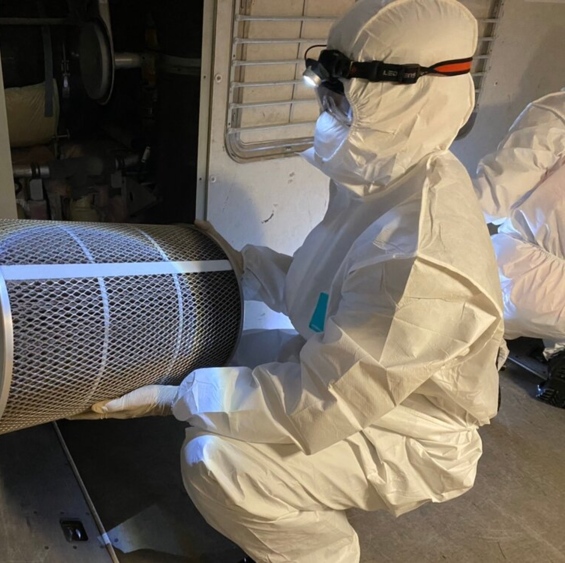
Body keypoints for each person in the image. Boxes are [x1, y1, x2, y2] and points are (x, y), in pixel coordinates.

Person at [76, 0, 504, 561]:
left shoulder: (422, 255)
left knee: (217, 460)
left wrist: (176, 398)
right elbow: (325, 298)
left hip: (412, 432)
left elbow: (318, 402)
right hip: (350, 381)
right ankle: (292, 502)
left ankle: (317, 552)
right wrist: (235, 263)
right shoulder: (385, 178)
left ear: (408, 101)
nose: (328, 117)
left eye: (344, 105)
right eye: (327, 97)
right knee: (228, 350)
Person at [474, 90, 565, 405]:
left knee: (468, 309)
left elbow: (493, 199)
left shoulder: (556, 112)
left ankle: (477, 361)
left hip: (526, 281)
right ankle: (557, 354)